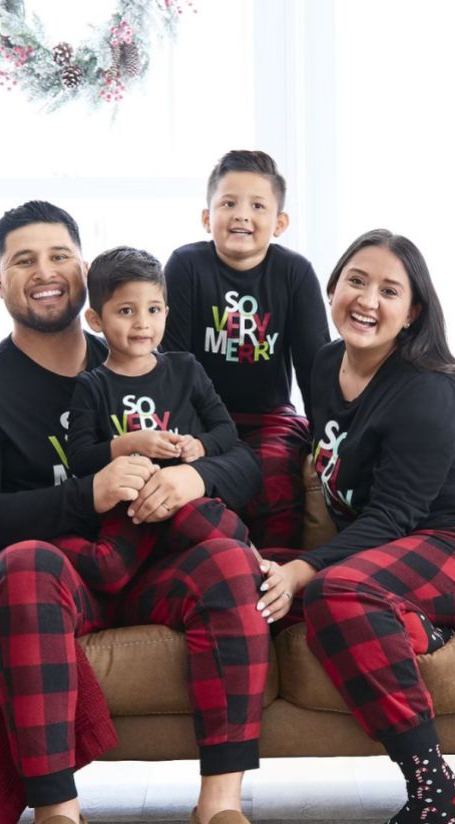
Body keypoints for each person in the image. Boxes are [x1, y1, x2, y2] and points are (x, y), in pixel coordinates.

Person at [0, 201, 278, 824]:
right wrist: (86, 495)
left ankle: (219, 811)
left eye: (58, 256)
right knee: (24, 566)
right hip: (61, 574)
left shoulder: (148, 361)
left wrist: (190, 476)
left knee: (228, 561)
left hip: (154, 564)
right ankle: (57, 812)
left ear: (85, 276)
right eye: (22, 261)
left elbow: (243, 462)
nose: (44, 272)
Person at [255, 229, 455, 824]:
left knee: (334, 589)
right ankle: (413, 629)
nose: (367, 300)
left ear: (412, 313)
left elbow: (392, 517)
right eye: (356, 280)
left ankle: (433, 786)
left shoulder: (426, 390)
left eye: (390, 290)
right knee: (245, 581)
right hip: (396, 566)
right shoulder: (325, 369)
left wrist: (304, 568)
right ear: (333, 288)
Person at [162, 150, 331, 550]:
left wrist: (326, 436)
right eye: (228, 203)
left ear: (280, 222)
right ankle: (224, 561)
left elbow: (314, 368)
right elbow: (172, 361)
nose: (241, 215)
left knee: (274, 470)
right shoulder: (185, 266)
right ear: (207, 218)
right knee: (196, 479)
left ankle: (277, 571)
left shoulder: (295, 273)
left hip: (269, 416)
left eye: (257, 205)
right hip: (200, 418)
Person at [67, 245, 238, 478]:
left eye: (153, 309)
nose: (143, 323)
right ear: (96, 320)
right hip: (126, 505)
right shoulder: (91, 387)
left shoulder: (186, 369)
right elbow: (79, 460)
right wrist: (129, 444)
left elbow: (226, 430)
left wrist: (199, 445)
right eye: (126, 311)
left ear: (166, 314)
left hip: (189, 498)